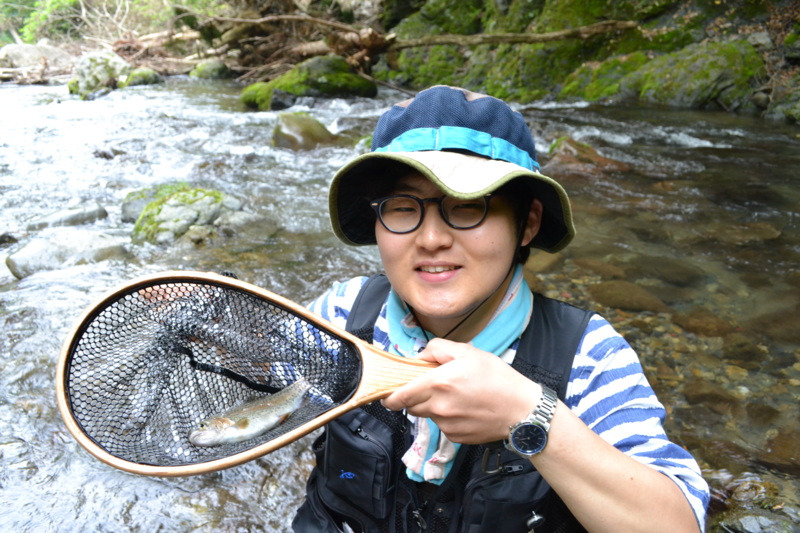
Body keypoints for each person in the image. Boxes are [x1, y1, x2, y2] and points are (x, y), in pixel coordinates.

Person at [292, 86, 709, 533]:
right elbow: (248, 382)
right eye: (402, 207)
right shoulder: (342, 314)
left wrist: (528, 414)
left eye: (468, 206)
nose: (431, 239)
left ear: (526, 224)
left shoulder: (588, 355)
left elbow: (678, 523)